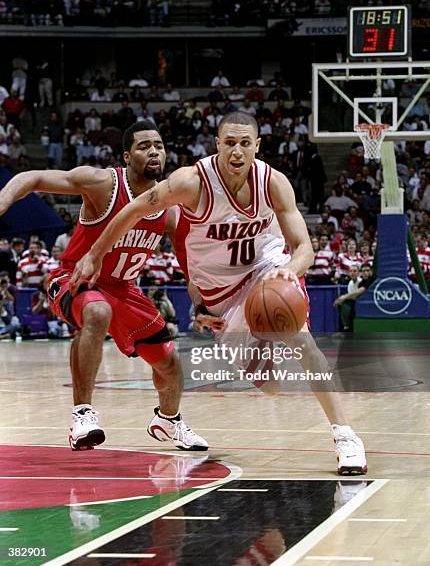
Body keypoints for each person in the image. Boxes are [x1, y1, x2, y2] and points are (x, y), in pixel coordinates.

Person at [71, 112, 367, 475]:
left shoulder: (274, 183)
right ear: (217, 145)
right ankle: (263, 345)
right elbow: (133, 210)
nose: (237, 151)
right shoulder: (190, 183)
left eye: (245, 143)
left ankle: (345, 436)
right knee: (271, 387)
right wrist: (94, 255)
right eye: (230, 143)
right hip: (223, 299)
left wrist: (290, 269)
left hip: (266, 271)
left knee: (303, 343)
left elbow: (304, 247)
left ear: (257, 146)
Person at [0, 120, 208, 452]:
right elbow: (33, 178)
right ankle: (82, 415)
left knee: (170, 365)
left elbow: (188, 263)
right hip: (76, 278)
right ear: (127, 156)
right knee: (97, 310)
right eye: (143, 146)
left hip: (126, 290)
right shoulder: (102, 184)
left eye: (158, 145)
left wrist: (201, 306)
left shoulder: (171, 210)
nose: (153, 150)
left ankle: (169, 420)